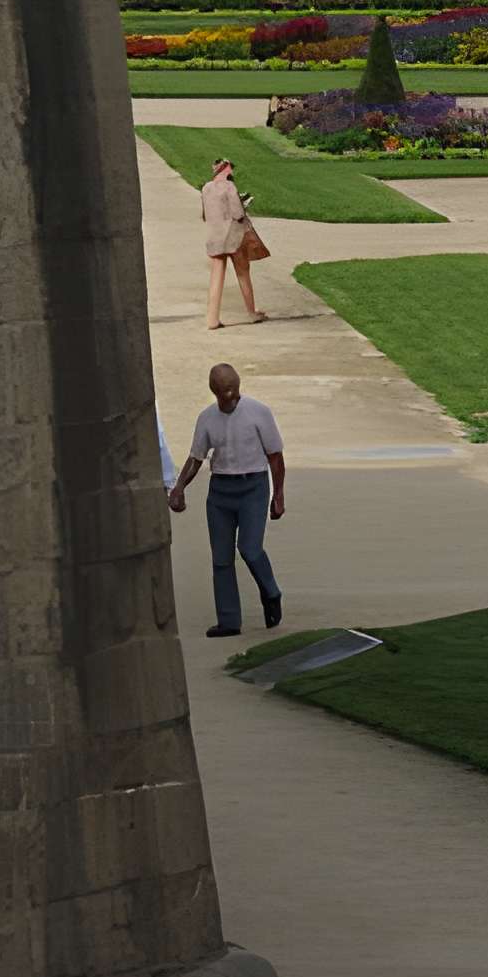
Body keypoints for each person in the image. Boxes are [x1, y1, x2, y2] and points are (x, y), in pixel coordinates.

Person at [168, 362, 285, 639]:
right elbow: (196, 457)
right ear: (214, 391)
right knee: (221, 558)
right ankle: (229, 620)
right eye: (224, 392)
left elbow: (275, 457)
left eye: (233, 390)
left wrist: (278, 495)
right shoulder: (207, 418)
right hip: (221, 491)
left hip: (253, 486)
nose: (231, 396)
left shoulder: (258, 412)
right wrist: (179, 487)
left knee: (250, 548)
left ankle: (271, 592)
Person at [202, 157, 266, 330]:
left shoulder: (206, 188)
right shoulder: (230, 187)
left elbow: (205, 215)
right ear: (226, 168)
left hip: (214, 238)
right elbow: (238, 214)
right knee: (243, 274)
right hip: (233, 237)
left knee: (216, 277)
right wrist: (244, 204)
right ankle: (252, 313)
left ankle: (212, 319)